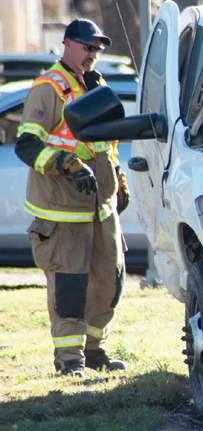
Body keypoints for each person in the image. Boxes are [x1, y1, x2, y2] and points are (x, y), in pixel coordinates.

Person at [15, 19, 130, 377]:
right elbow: (27, 144)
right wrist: (66, 164)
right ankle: (69, 360)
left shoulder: (96, 85)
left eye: (97, 49)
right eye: (87, 47)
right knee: (70, 286)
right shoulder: (49, 88)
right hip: (62, 211)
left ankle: (94, 351)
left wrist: (119, 182)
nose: (93, 54)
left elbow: (106, 145)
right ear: (67, 44)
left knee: (110, 282)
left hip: (101, 209)